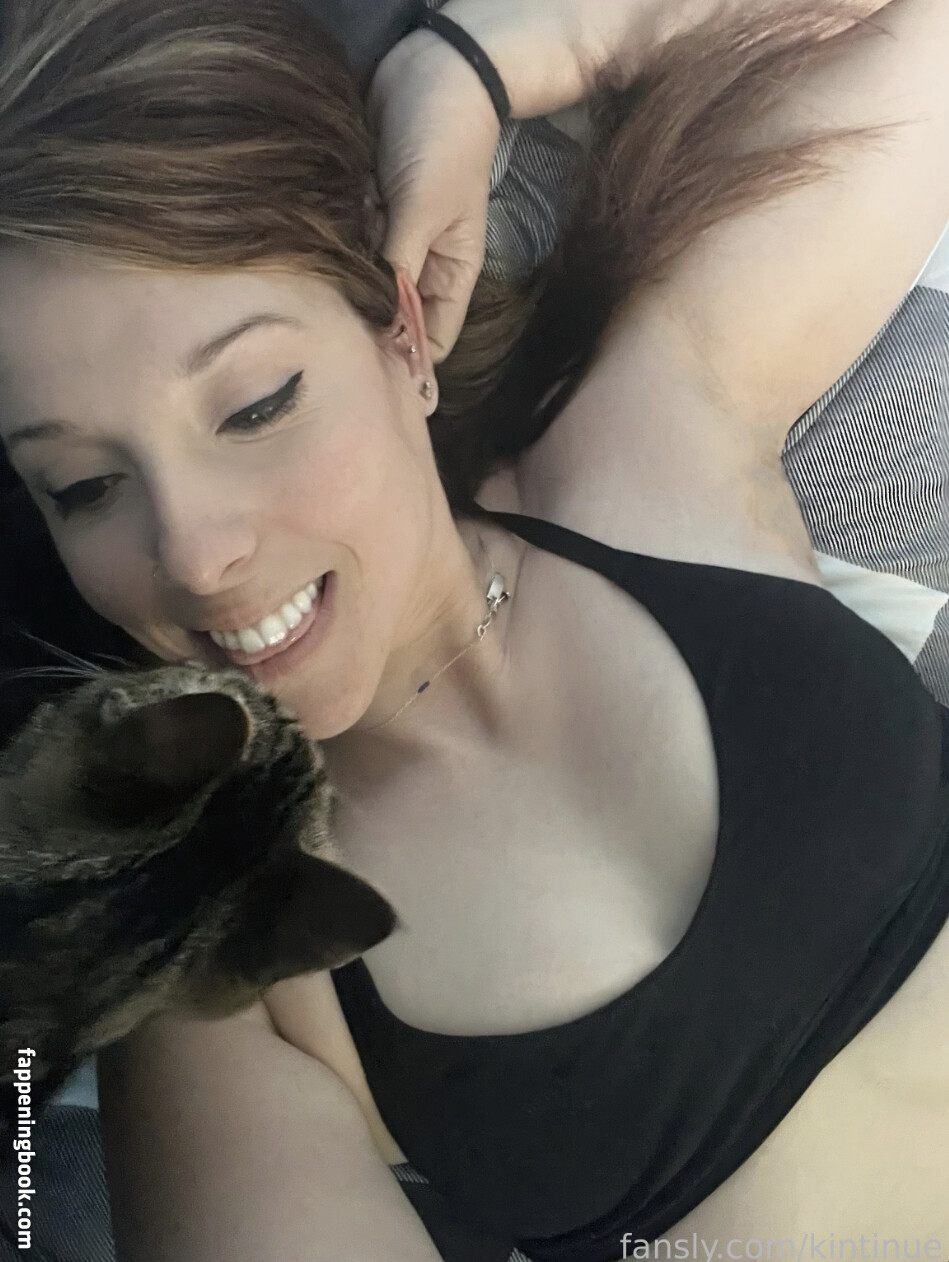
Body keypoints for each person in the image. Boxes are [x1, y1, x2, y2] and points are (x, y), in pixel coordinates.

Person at [0, 2, 948, 1261]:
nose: (192, 551)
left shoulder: (634, 462)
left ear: (402, 330)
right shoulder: (219, 949)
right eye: (83, 485)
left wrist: (478, 66)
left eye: (255, 404)